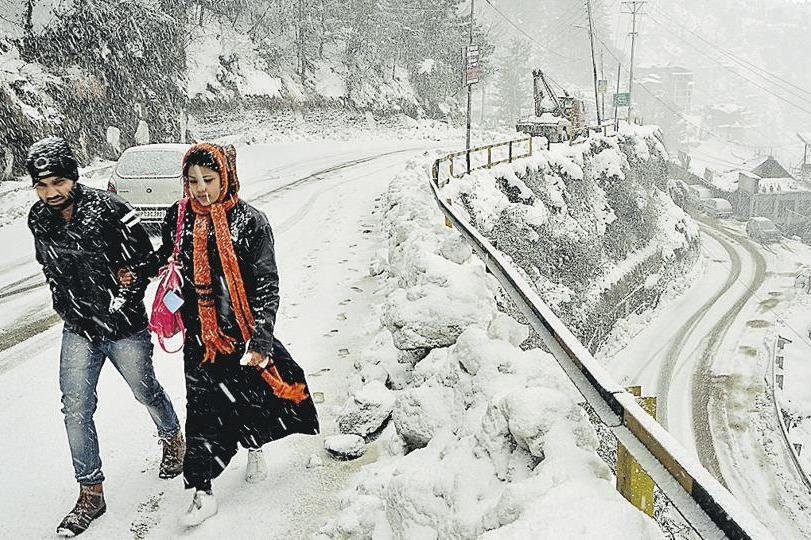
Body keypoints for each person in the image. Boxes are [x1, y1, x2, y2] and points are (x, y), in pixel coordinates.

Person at [122, 142, 319, 527]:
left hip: (241, 331)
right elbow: (168, 255)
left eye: (208, 180)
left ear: (225, 176)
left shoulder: (251, 222)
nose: (200, 188)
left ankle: (255, 444)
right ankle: (201, 489)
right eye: (192, 180)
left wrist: (261, 338)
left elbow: (266, 284)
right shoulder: (178, 217)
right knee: (201, 408)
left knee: (250, 396)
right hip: (200, 335)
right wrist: (140, 271)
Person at [26, 137, 184, 537]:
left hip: (124, 327)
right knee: (75, 409)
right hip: (78, 328)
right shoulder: (38, 219)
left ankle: (172, 437)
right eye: (42, 186)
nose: (51, 193)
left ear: (74, 179)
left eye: (58, 183)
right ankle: (91, 491)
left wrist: (126, 286)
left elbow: (150, 258)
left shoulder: (112, 210)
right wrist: (64, 303)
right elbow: (49, 268)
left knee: (145, 390)